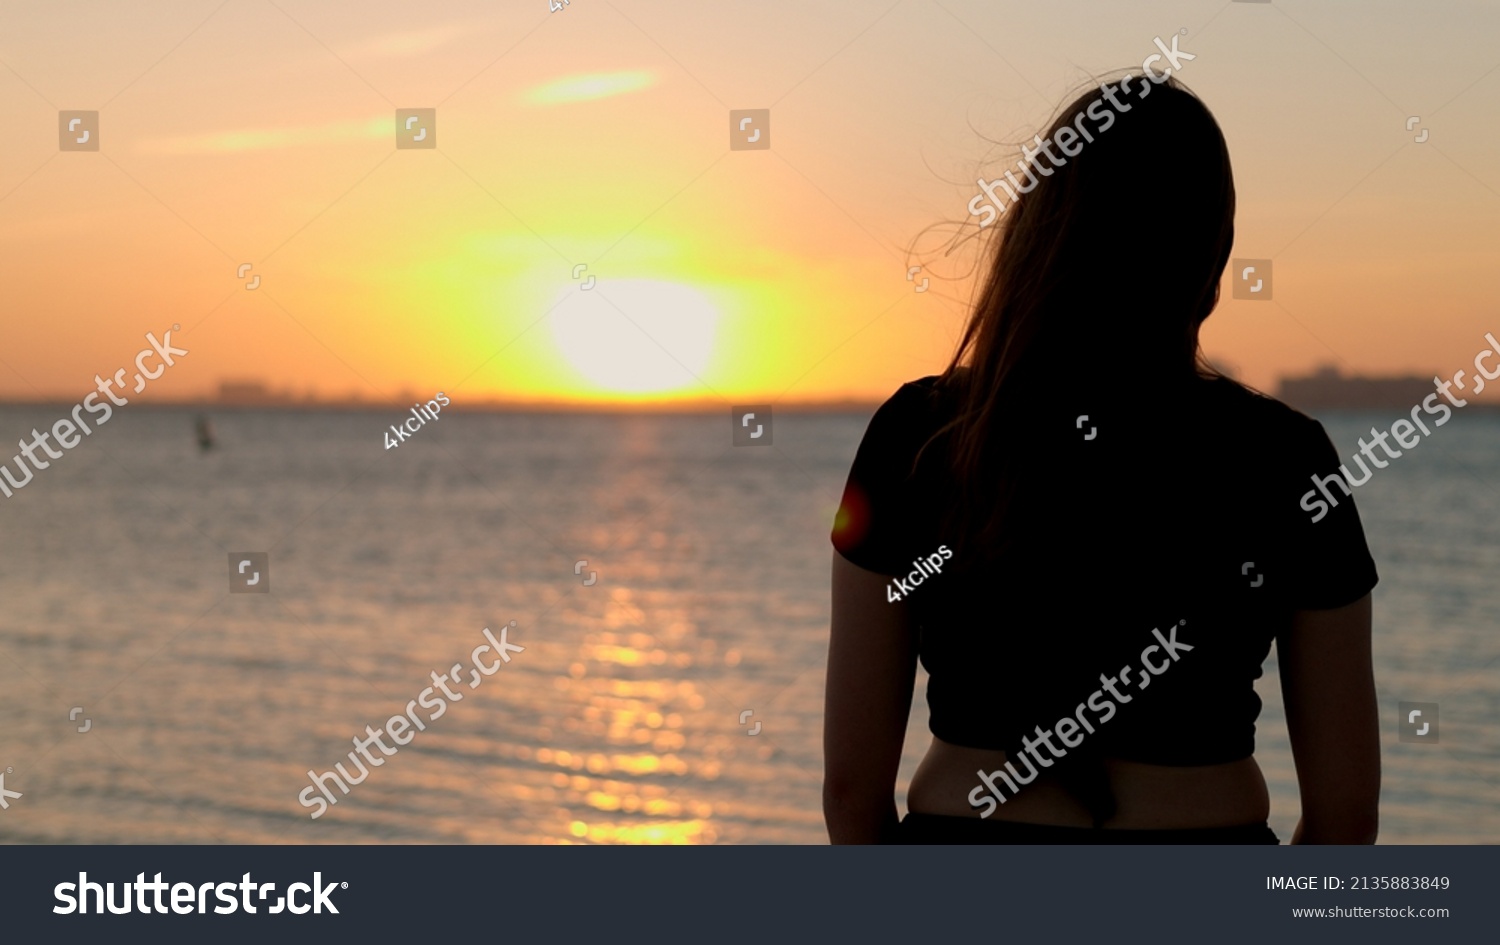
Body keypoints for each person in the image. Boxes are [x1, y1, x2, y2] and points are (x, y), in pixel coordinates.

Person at [822, 74, 1380, 844]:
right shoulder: (1287, 457)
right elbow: (1347, 815)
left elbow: (852, 790)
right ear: (1209, 258)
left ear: (1038, 236)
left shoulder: (919, 434)